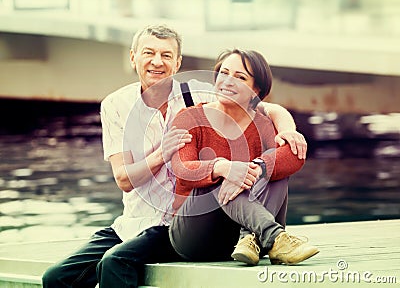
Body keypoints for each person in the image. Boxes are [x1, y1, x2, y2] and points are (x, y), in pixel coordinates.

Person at [42, 24, 307, 288]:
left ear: (178, 62)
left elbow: (266, 107)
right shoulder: (116, 105)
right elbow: (123, 179)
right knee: (55, 279)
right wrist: (161, 154)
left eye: (166, 55)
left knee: (114, 263)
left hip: (180, 222)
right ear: (133, 57)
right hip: (134, 221)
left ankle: (262, 236)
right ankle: (269, 236)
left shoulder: (198, 94)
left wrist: (288, 131)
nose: (157, 62)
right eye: (149, 53)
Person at [169, 48, 319, 266]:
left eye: (240, 77)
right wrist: (223, 168)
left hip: (244, 244)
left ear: (255, 90)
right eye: (224, 73)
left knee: (274, 167)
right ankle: (275, 236)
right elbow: (182, 169)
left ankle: (249, 238)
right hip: (194, 236)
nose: (228, 82)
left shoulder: (264, 124)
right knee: (220, 175)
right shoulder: (189, 118)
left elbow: (294, 157)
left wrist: (258, 168)